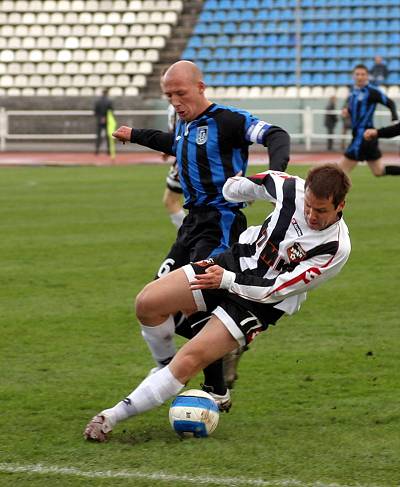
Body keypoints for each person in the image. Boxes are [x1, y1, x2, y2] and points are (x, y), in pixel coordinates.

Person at [84, 163, 352, 442]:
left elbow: (276, 289)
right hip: (232, 262)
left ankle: (109, 417)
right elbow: (234, 188)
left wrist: (227, 281)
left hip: (259, 303)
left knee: (188, 360)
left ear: (340, 205)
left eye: (321, 210)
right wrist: (237, 189)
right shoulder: (288, 187)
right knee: (147, 303)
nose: (311, 215)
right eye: (308, 206)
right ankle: (164, 366)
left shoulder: (335, 248)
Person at [112, 60, 290, 407]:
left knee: (196, 300)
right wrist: (136, 135)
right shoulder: (185, 123)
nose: (175, 101)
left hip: (222, 220)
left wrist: (275, 174)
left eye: (180, 93)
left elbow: (276, 135)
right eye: (169, 96)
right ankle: (194, 357)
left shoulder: (229, 120)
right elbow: (175, 143)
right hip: (192, 224)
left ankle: (217, 390)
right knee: (156, 304)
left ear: (201, 87)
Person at [338, 64, 398, 177]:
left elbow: (390, 103)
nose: (360, 77)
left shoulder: (372, 91)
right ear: (353, 76)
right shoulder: (353, 92)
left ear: (367, 76)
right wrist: (347, 111)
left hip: (364, 135)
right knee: (378, 171)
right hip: (362, 135)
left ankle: (327, 190)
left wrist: (394, 118)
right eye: (357, 74)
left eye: (363, 74)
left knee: (339, 171)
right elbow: (352, 108)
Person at [162, 102, 186, 230]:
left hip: (186, 159)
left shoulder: (178, 106)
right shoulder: (175, 106)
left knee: (170, 200)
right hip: (187, 156)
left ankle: (188, 237)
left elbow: (179, 133)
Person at [94, 88, 113, 156]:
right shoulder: (109, 101)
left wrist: (100, 117)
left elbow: (95, 112)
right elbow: (111, 111)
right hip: (107, 121)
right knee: (108, 136)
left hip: (99, 120)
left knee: (98, 136)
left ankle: (97, 150)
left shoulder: (98, 101)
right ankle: (109, 151)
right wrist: (105, 117)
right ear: (107, 93)